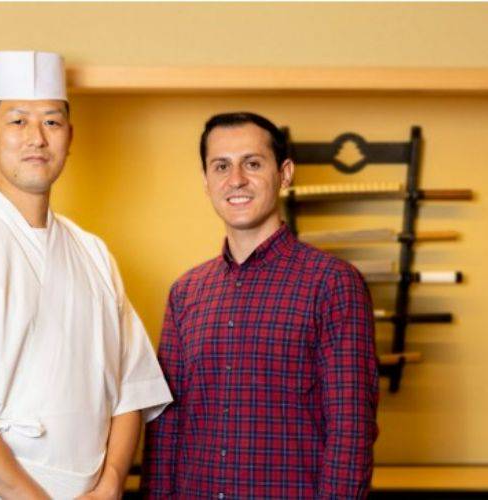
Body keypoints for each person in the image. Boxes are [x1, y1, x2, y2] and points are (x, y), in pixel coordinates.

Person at [0, 51, 172, 500]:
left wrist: (109, 486)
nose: (36, 138)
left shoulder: (94, 253)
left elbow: (132, 386)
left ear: (70, 136)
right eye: (18, 121)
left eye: (51, 121)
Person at [141, 112, 378, 499]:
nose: (235, 180)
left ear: (285, 174)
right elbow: (167, 427)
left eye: (252, 163)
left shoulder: (332, 283)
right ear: (206, 181)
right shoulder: (186, 293)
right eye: (221, 166)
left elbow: (351, 430)